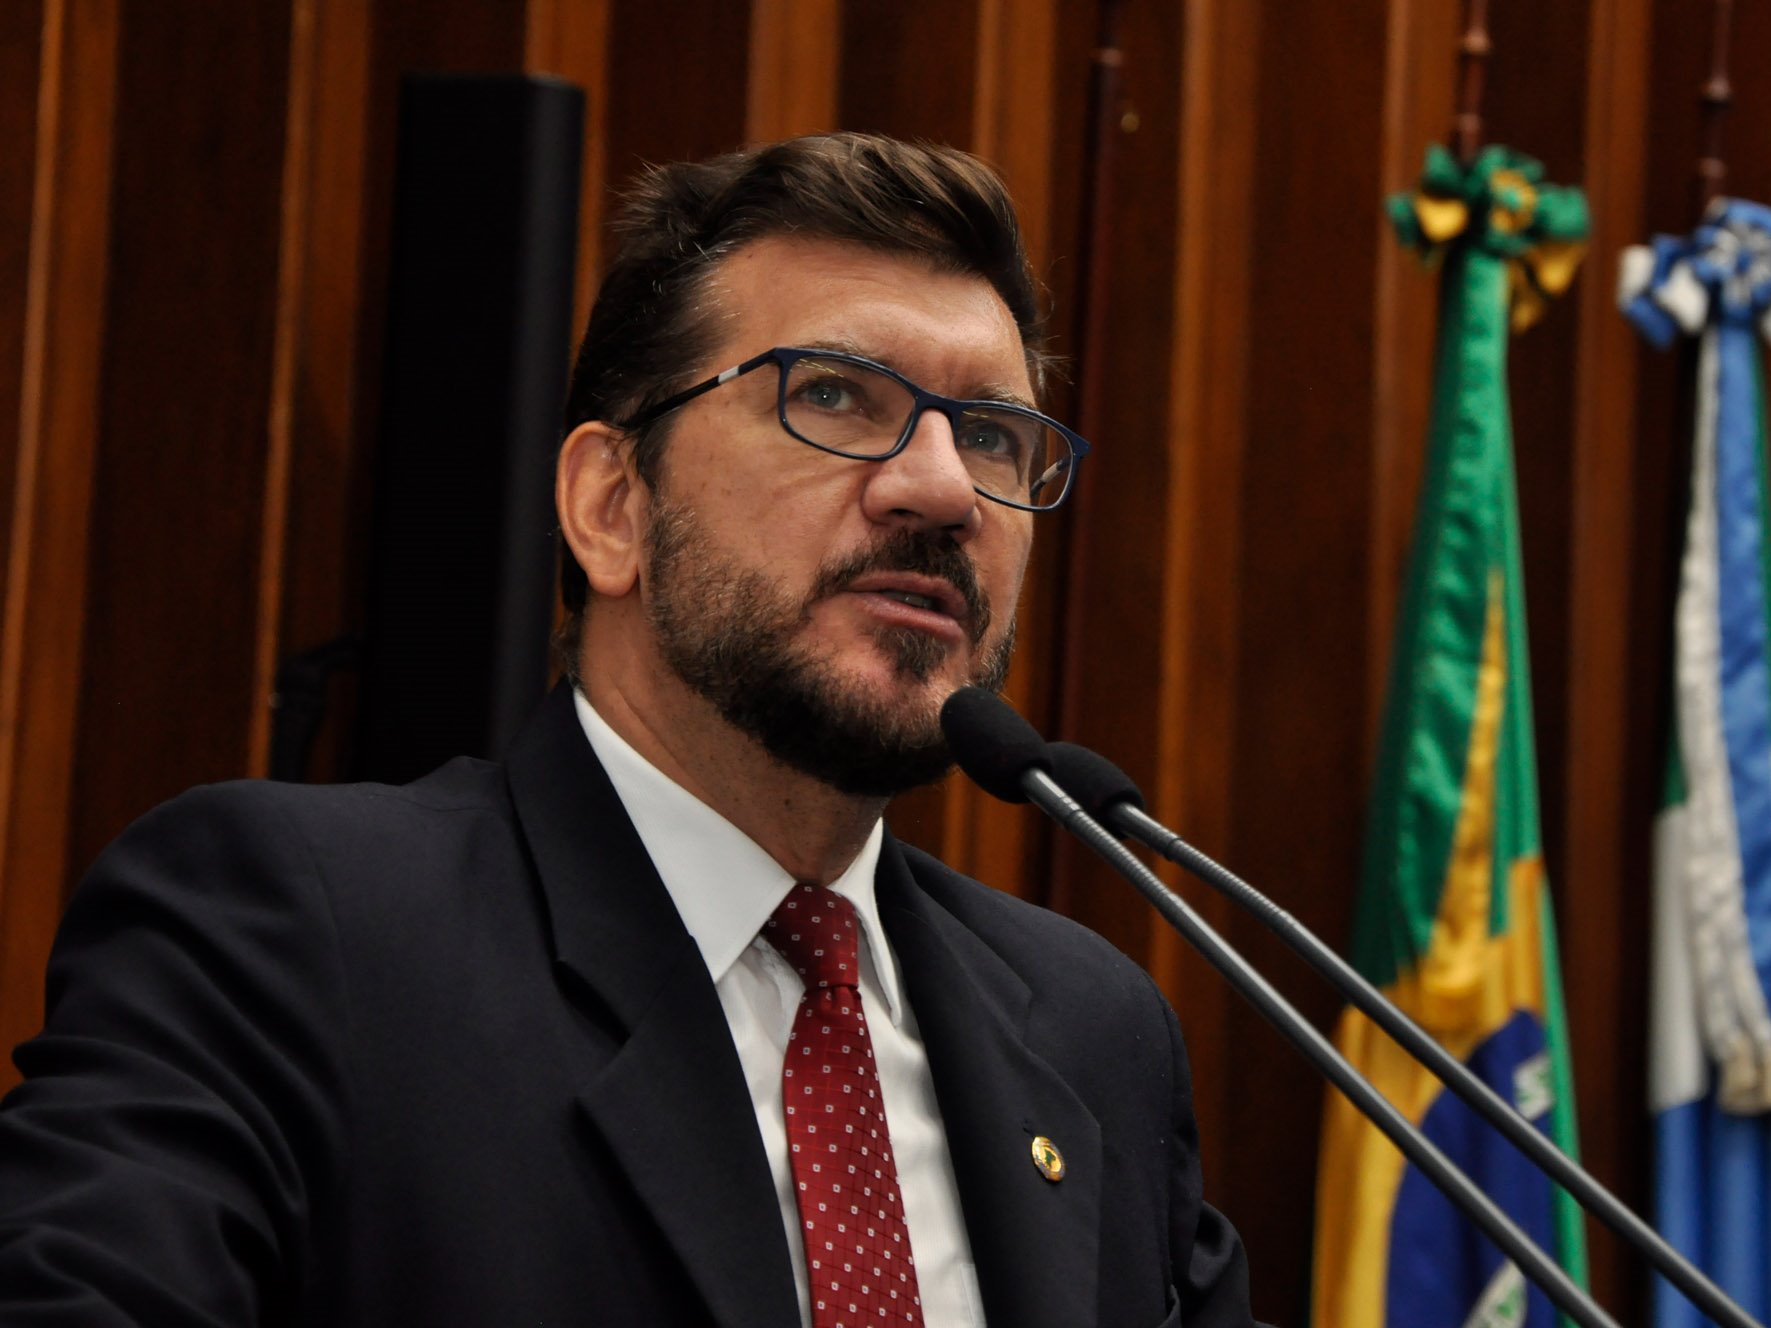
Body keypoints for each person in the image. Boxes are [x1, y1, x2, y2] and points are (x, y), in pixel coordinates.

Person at [0, 133, 1256, 1327]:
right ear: (611, 505)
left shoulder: (1093, 1033)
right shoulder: (296, 931)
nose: (940, 488)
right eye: (832, 394)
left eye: (987, 434)